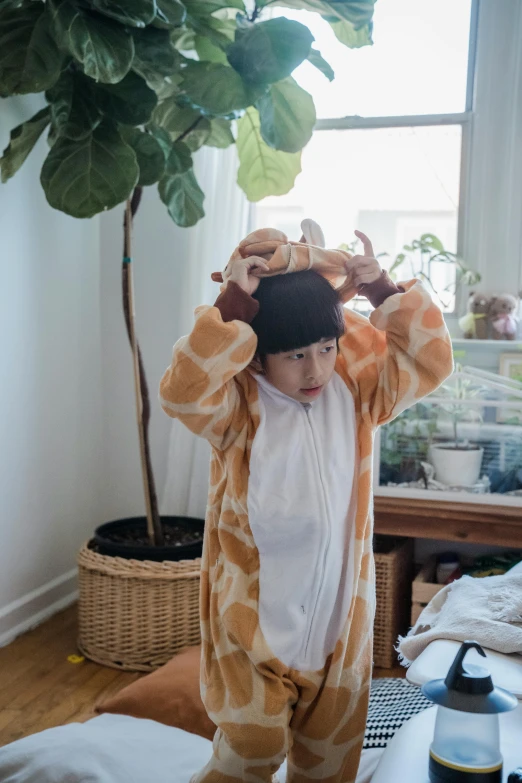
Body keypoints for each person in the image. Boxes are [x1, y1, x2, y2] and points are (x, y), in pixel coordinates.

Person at [159, 221, 453, 783]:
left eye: (326, 347)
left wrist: (385, 293)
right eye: (295, 355)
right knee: (248, 755)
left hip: (340, 630)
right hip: (254, 627)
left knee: (330, 763)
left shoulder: (359, 393)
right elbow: (182, 391)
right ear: (257, 355)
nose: (315, 368)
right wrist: (234, 307)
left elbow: (432, 363)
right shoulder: (237, 411)